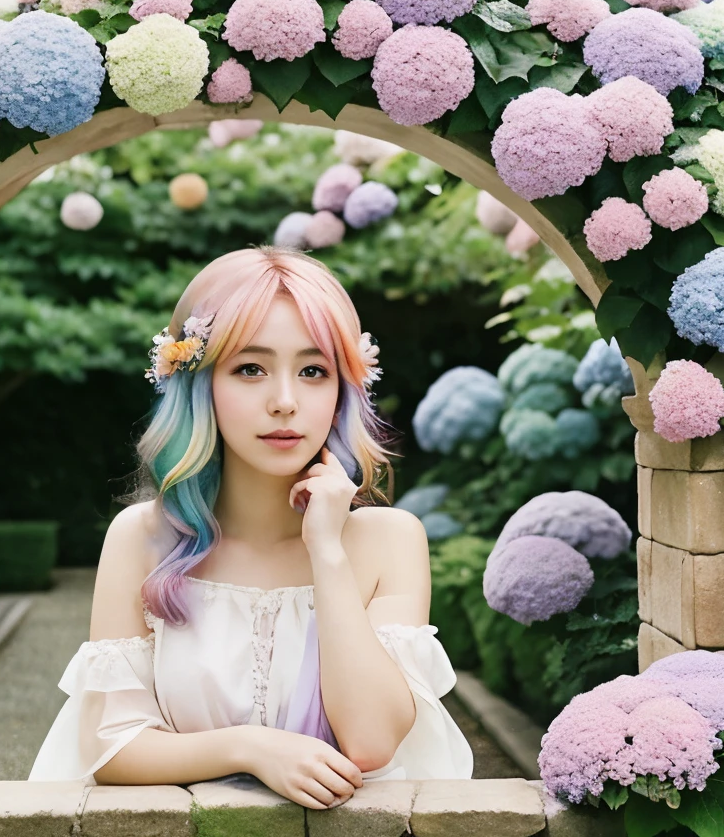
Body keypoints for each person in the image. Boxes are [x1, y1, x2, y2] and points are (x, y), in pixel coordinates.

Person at [28, 246, 474, 808]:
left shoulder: (390, 540)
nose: (285, 402)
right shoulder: (140, 539)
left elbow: (371, 741)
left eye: (314, 371)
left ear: (343, 390)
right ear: (201, 384)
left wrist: (327, 551)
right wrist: (250, 748)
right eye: (250, 369)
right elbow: (112, 748)